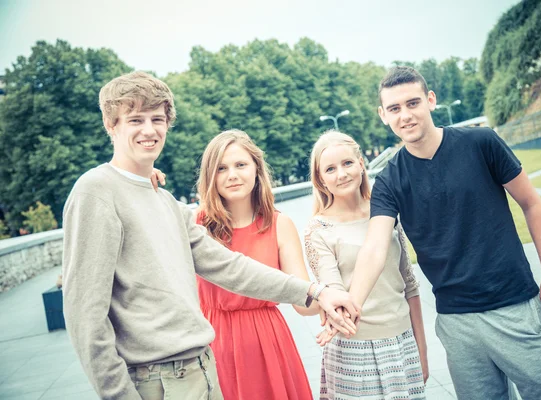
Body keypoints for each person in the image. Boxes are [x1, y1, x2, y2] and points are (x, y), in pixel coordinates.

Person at [61, 71, 358, 400]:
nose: (149, 130)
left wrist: (317, 292)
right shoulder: (96, 192)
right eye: (135, 119)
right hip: (155, 379)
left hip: (201, 371)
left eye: (157, 118)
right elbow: (85, 315)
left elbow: (230, 267)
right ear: (111, 125)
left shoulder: (167, 203)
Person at [348, 66, 541, 400]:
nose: (405, 115)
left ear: (430, 100)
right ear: (383, 115)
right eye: (394, 108)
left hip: (515, 306)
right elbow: (375, 248)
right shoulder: (389, 181)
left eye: (412, 103)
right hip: (456, 322)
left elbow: (531, 203)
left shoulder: (482, 143)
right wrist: (351, 304)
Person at [193, 129, 315, 400]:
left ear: (257, 170)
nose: (232, 175)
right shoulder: (197, 225)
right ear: (210, 176)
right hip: (213, 342)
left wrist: (333, 287)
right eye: (221, 168)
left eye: (240, 165)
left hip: (268, 343)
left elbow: (304, 303)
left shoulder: (279, 223)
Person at [305, 131, 427, 399]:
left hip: (402, 342)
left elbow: (410, 284)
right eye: (330, 169)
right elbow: (335, 293)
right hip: (353, 350)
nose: (341, 174)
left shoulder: (385, 213)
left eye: (347, 163)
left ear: (361, 163)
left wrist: (422, 350)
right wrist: (338, 318)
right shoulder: (319, 229)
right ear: (320, 179)